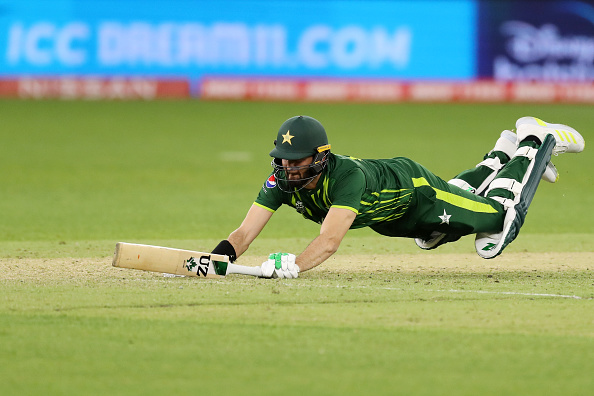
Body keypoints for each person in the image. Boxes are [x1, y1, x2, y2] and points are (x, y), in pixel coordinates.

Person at [211, 115, 584, 278]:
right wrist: (217, 259)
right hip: (391, 222)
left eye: (297, 161)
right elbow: (243, 234)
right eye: (283, 160)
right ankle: (503, 151)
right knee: (448, 219)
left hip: (416, 191)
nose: (288, 169)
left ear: (321, 157)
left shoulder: (347, 178)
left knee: (497, 223)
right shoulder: (279, 182)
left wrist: (294, 263)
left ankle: (535, 140)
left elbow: (329, 241)